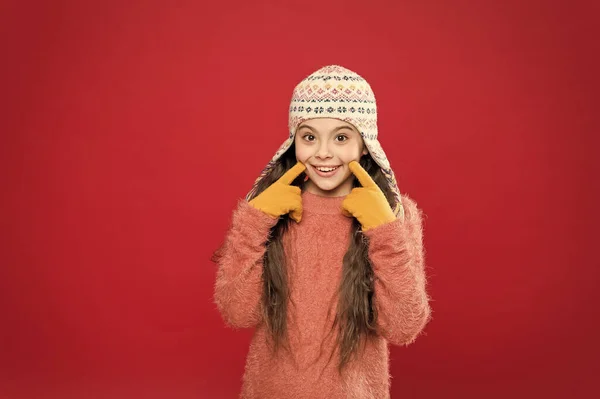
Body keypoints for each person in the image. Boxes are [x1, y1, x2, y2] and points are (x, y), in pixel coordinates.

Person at [212, 65, 432, 398]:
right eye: (309, 137)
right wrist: (254, 221)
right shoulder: (270, 211)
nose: (323, 152)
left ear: (364, 145)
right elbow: (238, 312)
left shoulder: (395, 215)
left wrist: (385, 233)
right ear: (293, 142)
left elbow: (403, 327)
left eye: (341, 137)